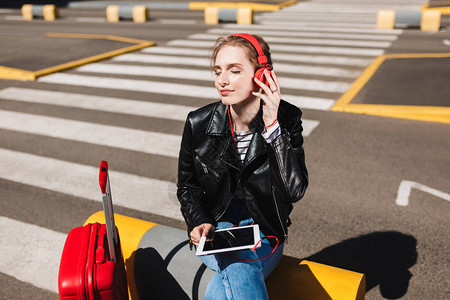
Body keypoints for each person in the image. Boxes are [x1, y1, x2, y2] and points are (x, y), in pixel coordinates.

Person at [177, 33, 308, 299]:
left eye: (234, 71)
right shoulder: (198, 123)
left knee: (230, 276)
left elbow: (294, 190)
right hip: (217, 228)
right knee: (238, 264)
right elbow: (187, 185)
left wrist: (273, 128)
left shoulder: (288, 119)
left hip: (265, 233)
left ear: (262, 75)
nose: (222, 80)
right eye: (218, 71)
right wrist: (198, 220)